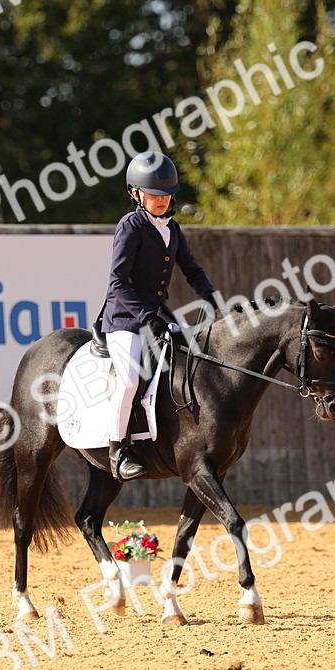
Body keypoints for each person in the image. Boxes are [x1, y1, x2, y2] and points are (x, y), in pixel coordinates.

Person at [101, 151, 220, 481]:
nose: (161, 201)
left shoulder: (173, 229)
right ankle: (118, 451)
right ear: (136, 194)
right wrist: (144, 316)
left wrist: (210, 295)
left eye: (166, 195)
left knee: (194, 360)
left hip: (158, 315)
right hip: (125, 318)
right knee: (128, 379)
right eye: (153, 195)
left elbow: (192, 269)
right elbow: (117, 283)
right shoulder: (131, 226)